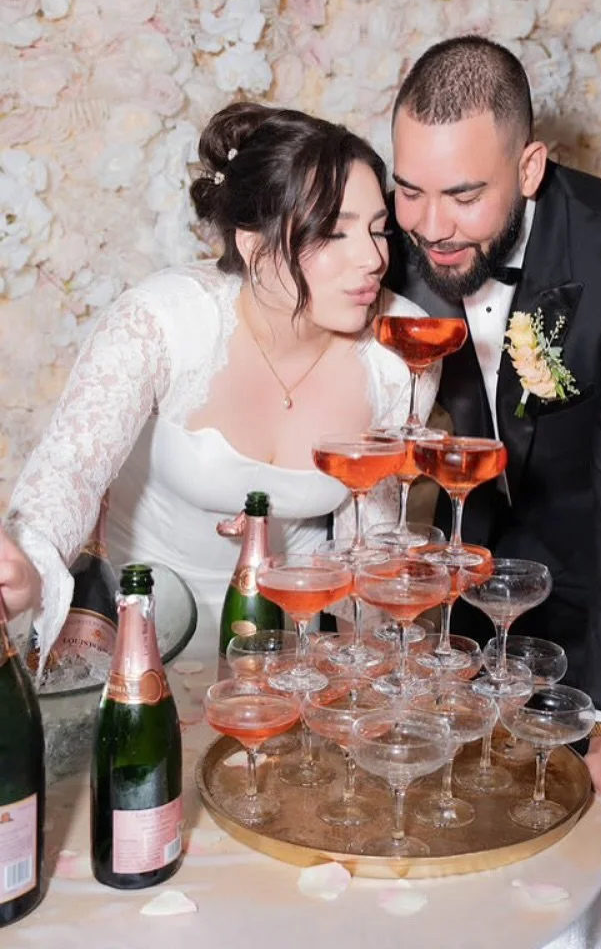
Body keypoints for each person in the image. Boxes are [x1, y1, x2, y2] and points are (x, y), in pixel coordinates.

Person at [386, 35, 601, 946]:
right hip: (484, 560)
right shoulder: (392, 238)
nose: (430, 225)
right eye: (411, 189)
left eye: (464, 195)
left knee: (587, 833)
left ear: (530, 167)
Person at [0, 102, 437, 665]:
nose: (373, 258)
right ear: (253, 245)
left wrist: (381, 671)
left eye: (379, 230)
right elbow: (70, 472)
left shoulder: (402, 352)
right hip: (129, 640)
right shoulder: (160, 321)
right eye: (333, 233)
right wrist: (28, 564)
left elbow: (370, 547)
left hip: (286, 656)